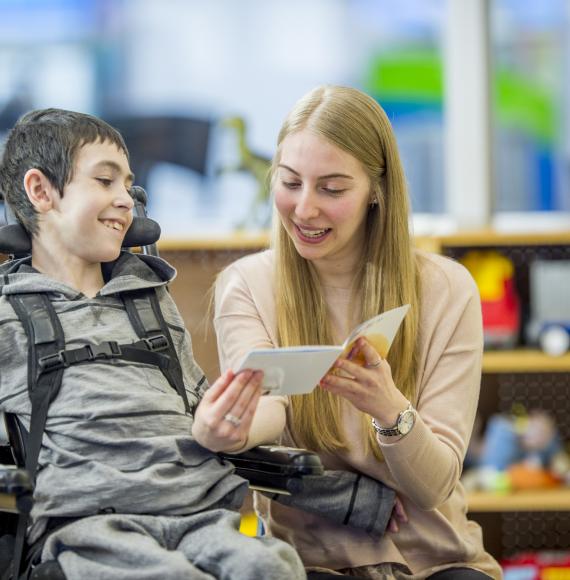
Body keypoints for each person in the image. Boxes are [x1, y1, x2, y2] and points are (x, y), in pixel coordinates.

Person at [0, 108, 306, 580]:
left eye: (128, 185)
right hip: (91, 525)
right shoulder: (9, 318)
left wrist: (248, 414)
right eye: (104, 181)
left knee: (270, 565)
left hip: (196, 511)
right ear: (42, 191)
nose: (125, 199)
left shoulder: (150, 304)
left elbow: (199, 406)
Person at [214, 85, 502, 579]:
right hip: (310, 564)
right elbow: (268, 408)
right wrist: (234, 427)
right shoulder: (246, 285)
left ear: (377, 191)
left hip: (436, 561)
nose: (304, 209)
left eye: (332, 189)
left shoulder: (447, 289)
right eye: (290, 182)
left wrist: (388, 407)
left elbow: (434, 486)